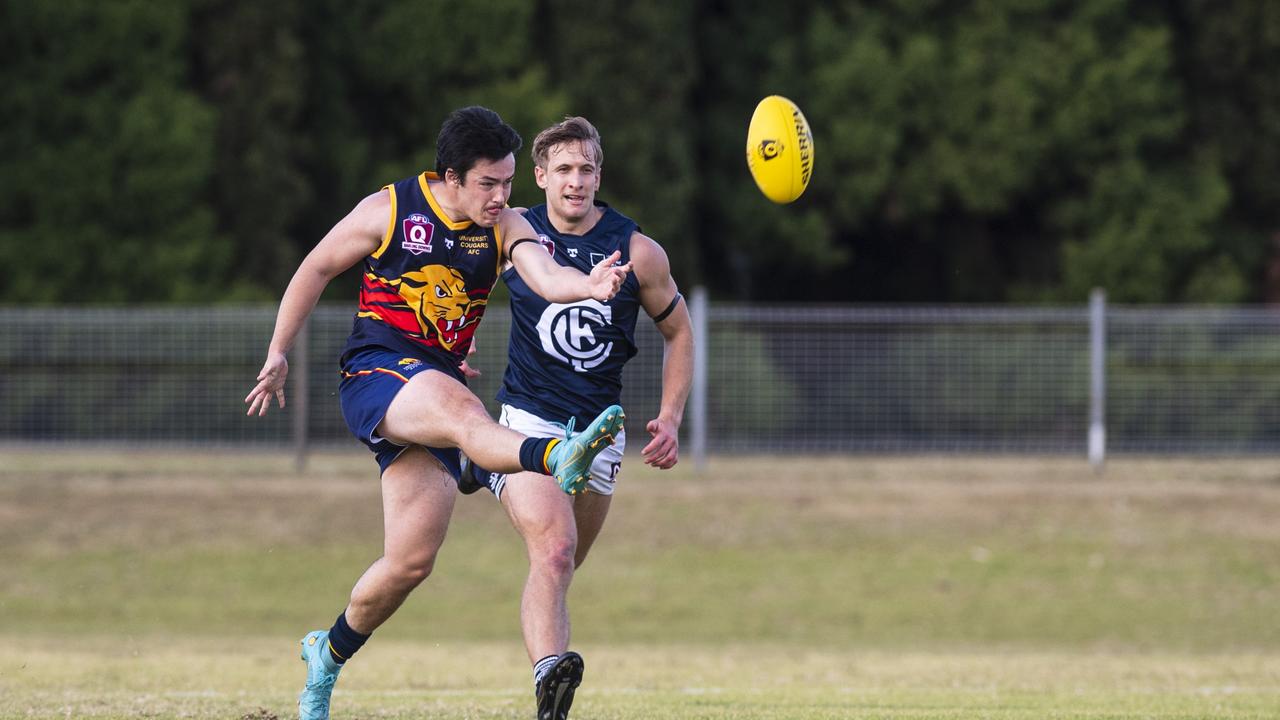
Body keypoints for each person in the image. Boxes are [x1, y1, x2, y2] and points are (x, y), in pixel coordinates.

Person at [243, 106, 632, 720]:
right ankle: (555, 452)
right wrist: (278, 351)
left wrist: (585, 286)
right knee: (463, 413)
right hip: (376, 371)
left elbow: (545, 272)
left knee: (410, 561)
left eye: (508, 182)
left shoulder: (506, 226)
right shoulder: (392, 210)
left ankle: (328, 654)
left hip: (437, 384)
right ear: (451, 177)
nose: (503, 196)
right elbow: (315, 266)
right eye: (490, 183)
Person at [460, 116, 694, 720]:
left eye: (586, 168)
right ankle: (550, 693)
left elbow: (679, 331)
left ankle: (475, 465)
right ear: (538, 177)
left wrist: (670, 418)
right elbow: (456, 292)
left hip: (601, 437)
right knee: (556, 549)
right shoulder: (513, 235)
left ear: (599, 175)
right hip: (527, 426)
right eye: (563, 169)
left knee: (562, 565)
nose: (576, 181)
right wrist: (454, 348)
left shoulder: (638, 251)